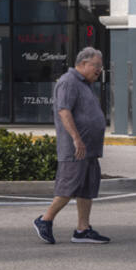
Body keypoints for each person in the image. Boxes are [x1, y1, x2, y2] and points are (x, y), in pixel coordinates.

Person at [33, 47, 111, 245]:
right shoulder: (68, 82)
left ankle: (82, 229)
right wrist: (76, 138)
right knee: (68, 187)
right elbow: (63, 111)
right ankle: (45, 220)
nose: (99, 70)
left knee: (87, 188)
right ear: (83, 63)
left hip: (89, 149)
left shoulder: (84, 84)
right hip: (75, 148)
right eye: (96, 66)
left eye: (101, 67)